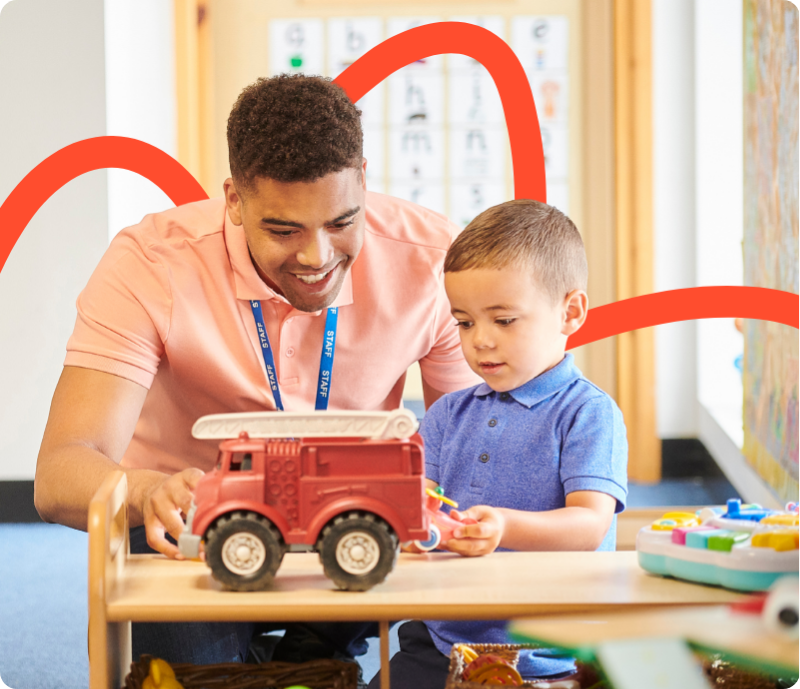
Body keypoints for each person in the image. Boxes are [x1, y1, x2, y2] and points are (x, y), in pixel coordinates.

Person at [33, 74, 478, 666]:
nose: (317, 257)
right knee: (189, 673)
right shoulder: (149, 264)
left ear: (365, 180)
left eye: (343, 222)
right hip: (189, 526)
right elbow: (60, 473)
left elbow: (475, 447)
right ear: (234, 200)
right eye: (283, 229)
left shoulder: (434, 261)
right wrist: (145, 492)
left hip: (342, 510)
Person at [368, 200, 628, 689]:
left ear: (570, 312)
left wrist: (503, 525)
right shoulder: (447, 413)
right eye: (464, 322)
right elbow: (413, 503)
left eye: (503, 320)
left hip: (549, 653)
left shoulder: (589, 413)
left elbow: (590, 525)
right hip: (443, 636)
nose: (480, 341)